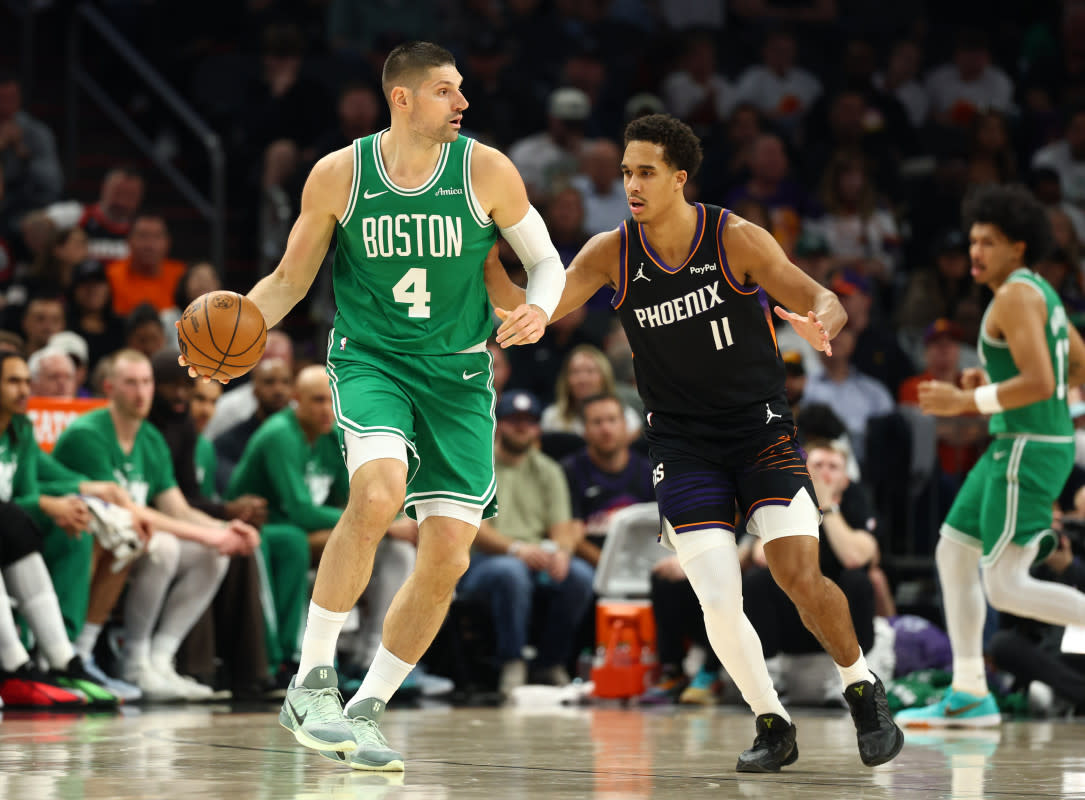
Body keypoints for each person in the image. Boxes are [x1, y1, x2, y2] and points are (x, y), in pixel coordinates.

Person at [180, 41, 564, 770]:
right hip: (371, 361)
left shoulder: (485, 168)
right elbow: (289, 281)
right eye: (447, 91)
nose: (463, 103)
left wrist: (539, 308)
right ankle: (312, 680)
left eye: (461, 91)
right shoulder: (338, 175)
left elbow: (545, 260)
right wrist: (227, 344)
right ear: (404, 99)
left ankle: (368, 706)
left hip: (457, 376)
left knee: (447, 553)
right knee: (378, 491)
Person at [492, 113, 902, 771]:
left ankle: (860, 684)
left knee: (797, 574)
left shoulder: (734, 237)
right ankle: (771, 720)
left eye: (645, 172)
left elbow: (822, 297)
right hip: (681, 443)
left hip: (758, 431)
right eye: (625, 172)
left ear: (679, 178)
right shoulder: (610, 252)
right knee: (714, 590)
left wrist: (818, 320)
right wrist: (490, 267)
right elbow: (536, 311)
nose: (631, 183)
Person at [898, 184, 1085, 728]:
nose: (976, 251)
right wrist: (999, 383)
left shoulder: (1014, 296)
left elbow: (1043, 378)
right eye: (974, 239)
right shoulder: (1038, 291)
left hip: (1025, 448)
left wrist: (968, 400)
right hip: (1020, 441)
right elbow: (1077, 366)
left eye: (990, 241)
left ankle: (973, 693)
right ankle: (969, 692)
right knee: (952, 553)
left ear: (1019, 248)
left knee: (1005, 584)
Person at [458, 389, 591, 693]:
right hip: (479, 560)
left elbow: (562, 527)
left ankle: (550, 663)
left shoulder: (549, 470)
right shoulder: (477, 463)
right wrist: (517, 549)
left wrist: (562, 552)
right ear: (498, 424)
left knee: (579, 576)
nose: (521, 427)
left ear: (538, 428)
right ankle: (512, 662)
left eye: (529, 421)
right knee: (510, 571)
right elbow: (474, 529)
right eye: (513, 420)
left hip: (534, 557)